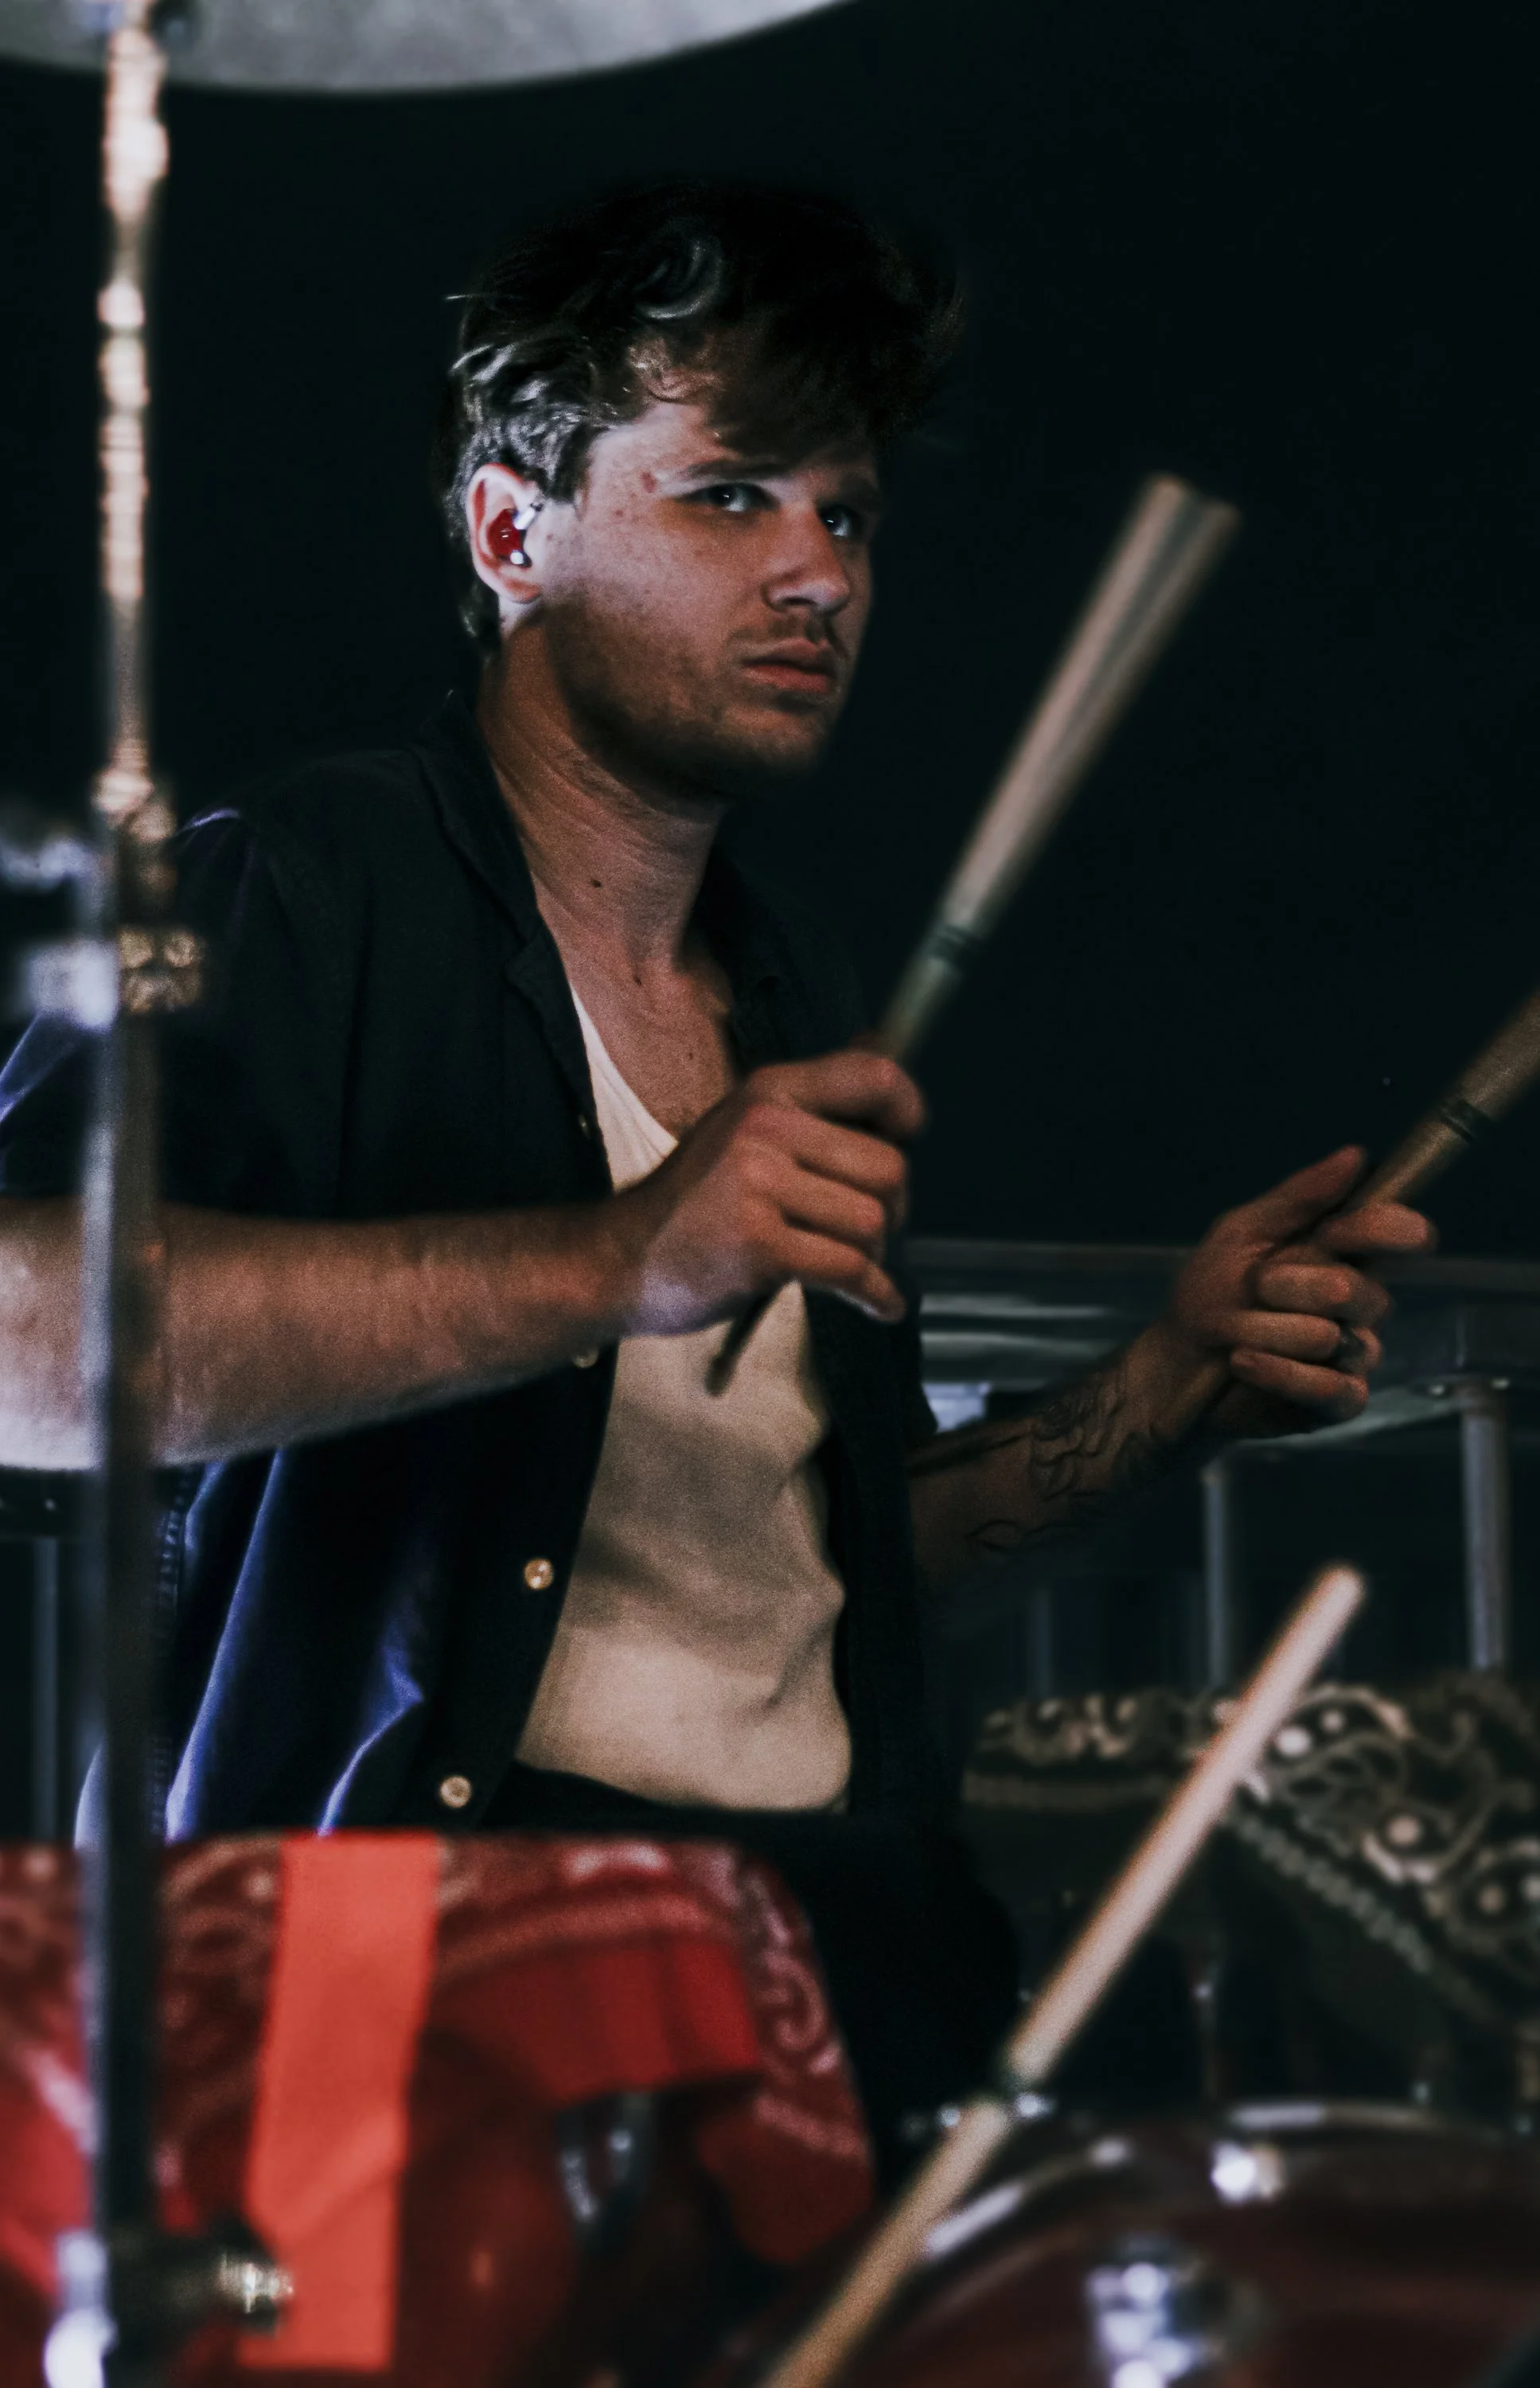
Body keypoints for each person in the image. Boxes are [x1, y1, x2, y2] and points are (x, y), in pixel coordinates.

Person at [0, 179, 1429, 2168]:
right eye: (731, 495)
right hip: (393, 1999)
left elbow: (792, 1587)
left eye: (846, 513)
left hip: (808, 1975)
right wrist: (619, 1257)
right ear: (515, 531)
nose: (821, 573)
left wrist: (1157, 1403)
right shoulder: (309, 886)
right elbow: (19, 1339)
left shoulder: (789, 992)